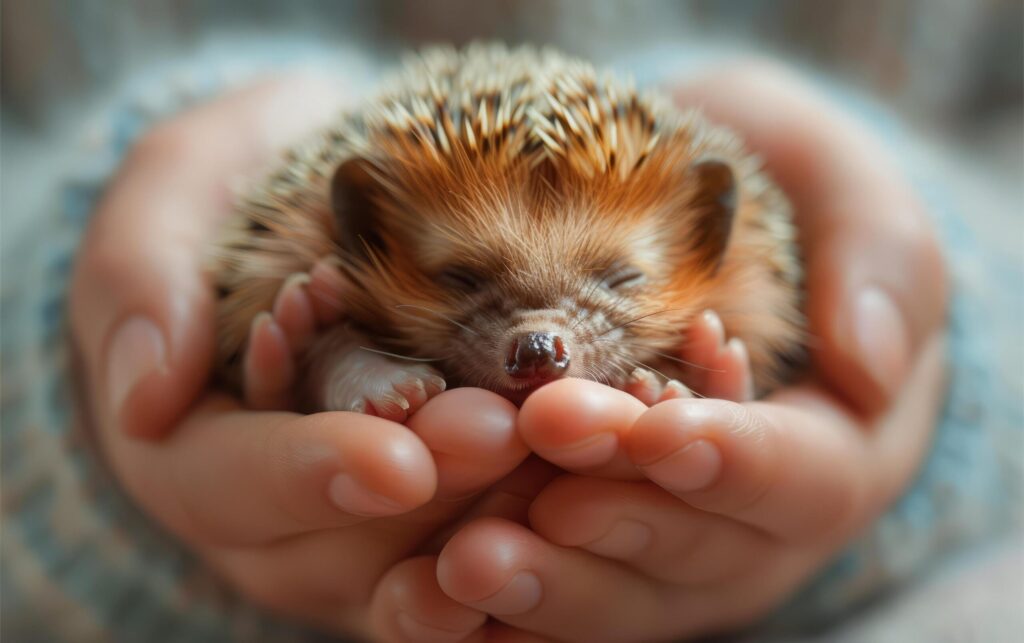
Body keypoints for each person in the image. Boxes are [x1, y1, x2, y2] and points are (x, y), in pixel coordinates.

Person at [5, 58, 1006, 642]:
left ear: (705, 237)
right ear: (361, 234)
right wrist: (52, 337)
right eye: (460, 282)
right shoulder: (320, 266)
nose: (542, 338)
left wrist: (965, 338)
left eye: (614, 284)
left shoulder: (732, 280)